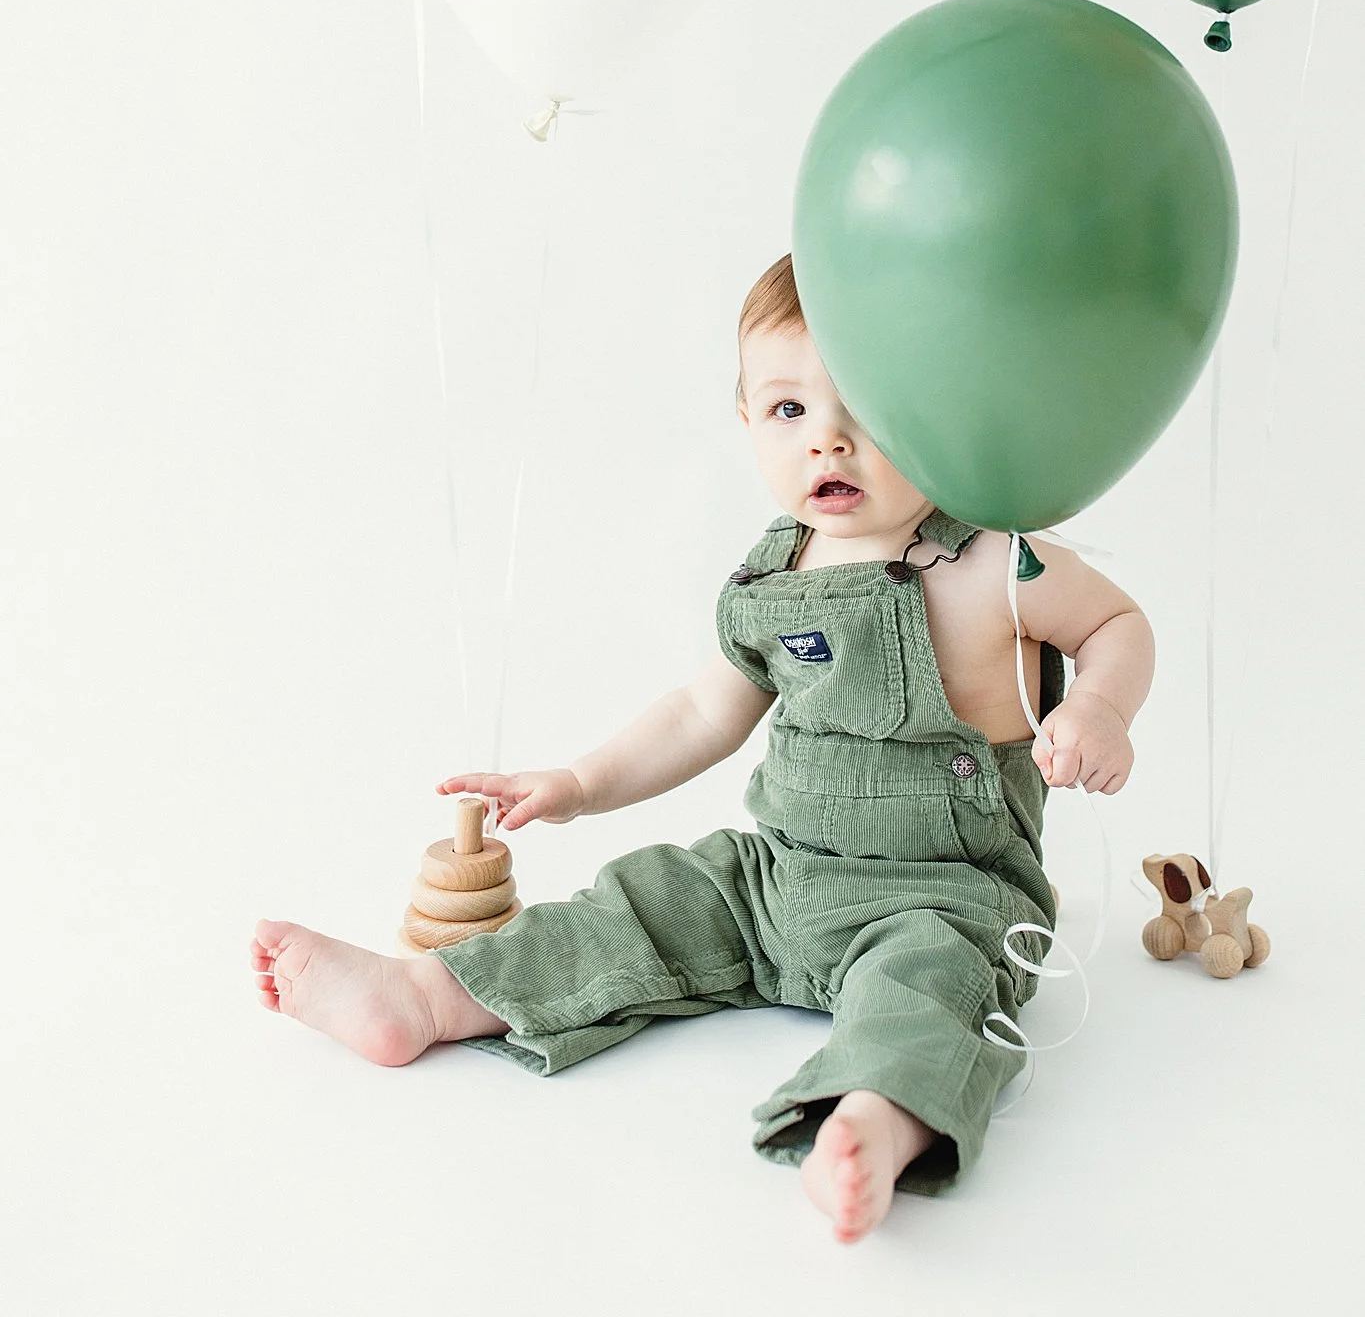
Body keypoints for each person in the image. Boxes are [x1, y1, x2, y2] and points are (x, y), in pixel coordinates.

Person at [251, 253, 1153, 1242]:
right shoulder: (767, 577)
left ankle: (872, 1120)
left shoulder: (990, 558)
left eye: (868, 403)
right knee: (638, 904)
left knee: (929, 994)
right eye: (788, 409)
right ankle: (426, 993)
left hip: (946, 898)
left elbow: (1114, 624)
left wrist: (1100, 706)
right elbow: (700, 713)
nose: (831, 439)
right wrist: (579, 781)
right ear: (744, 418)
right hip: (775, 881)